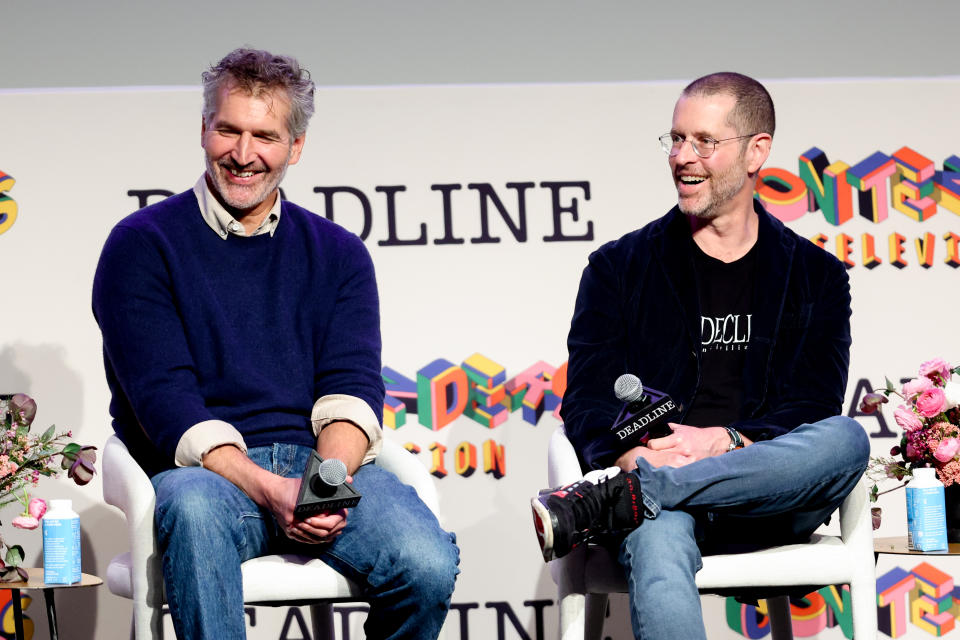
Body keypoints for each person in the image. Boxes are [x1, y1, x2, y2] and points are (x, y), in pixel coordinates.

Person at [92, 47, 458, 640]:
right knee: (191, 509)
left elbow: (351, 388)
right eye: (228, 130)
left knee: (426, 560)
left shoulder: (337, 253)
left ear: (296, 147)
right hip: (205, 476)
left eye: (264, 135)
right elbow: (164, 399)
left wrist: (320, 486)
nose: (243, 154)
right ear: (203, 130)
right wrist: (269, 490)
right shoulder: (142, 245)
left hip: (313, 462)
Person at [530, 72, 869, 640]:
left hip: (767, 496)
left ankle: (627, 496)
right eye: (676, 139)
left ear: (757, 150)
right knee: (655, 533)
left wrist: (719, 442)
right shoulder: (618, 269)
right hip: (664, 505)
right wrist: (633, 456)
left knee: (847, 439)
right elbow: (588, 402)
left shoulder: (817, 276)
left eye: (704, 142)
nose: (683, 157)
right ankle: (641, 492)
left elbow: (810, 407)